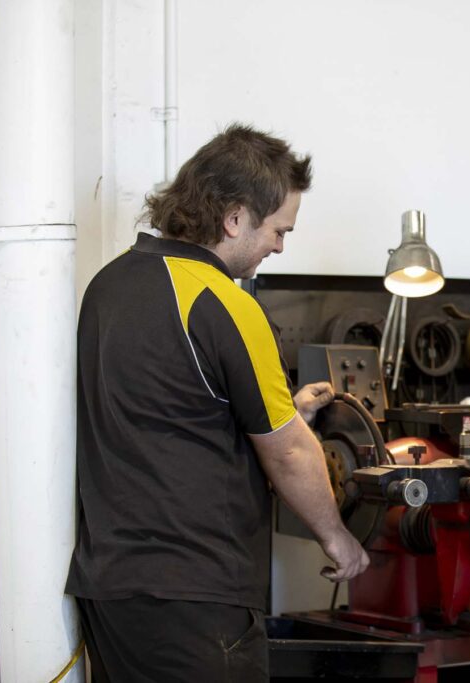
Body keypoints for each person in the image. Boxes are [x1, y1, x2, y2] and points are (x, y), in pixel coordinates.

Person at [66, 124, 369, 682]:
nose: (280, 245)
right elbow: (291, 455)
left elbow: (165, 415)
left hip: (110, 590)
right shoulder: (224, 302)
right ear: (234, 218)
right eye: (278, 229)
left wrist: (287, 412)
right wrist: (338, 537)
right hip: (198, 598)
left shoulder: (106, 287)